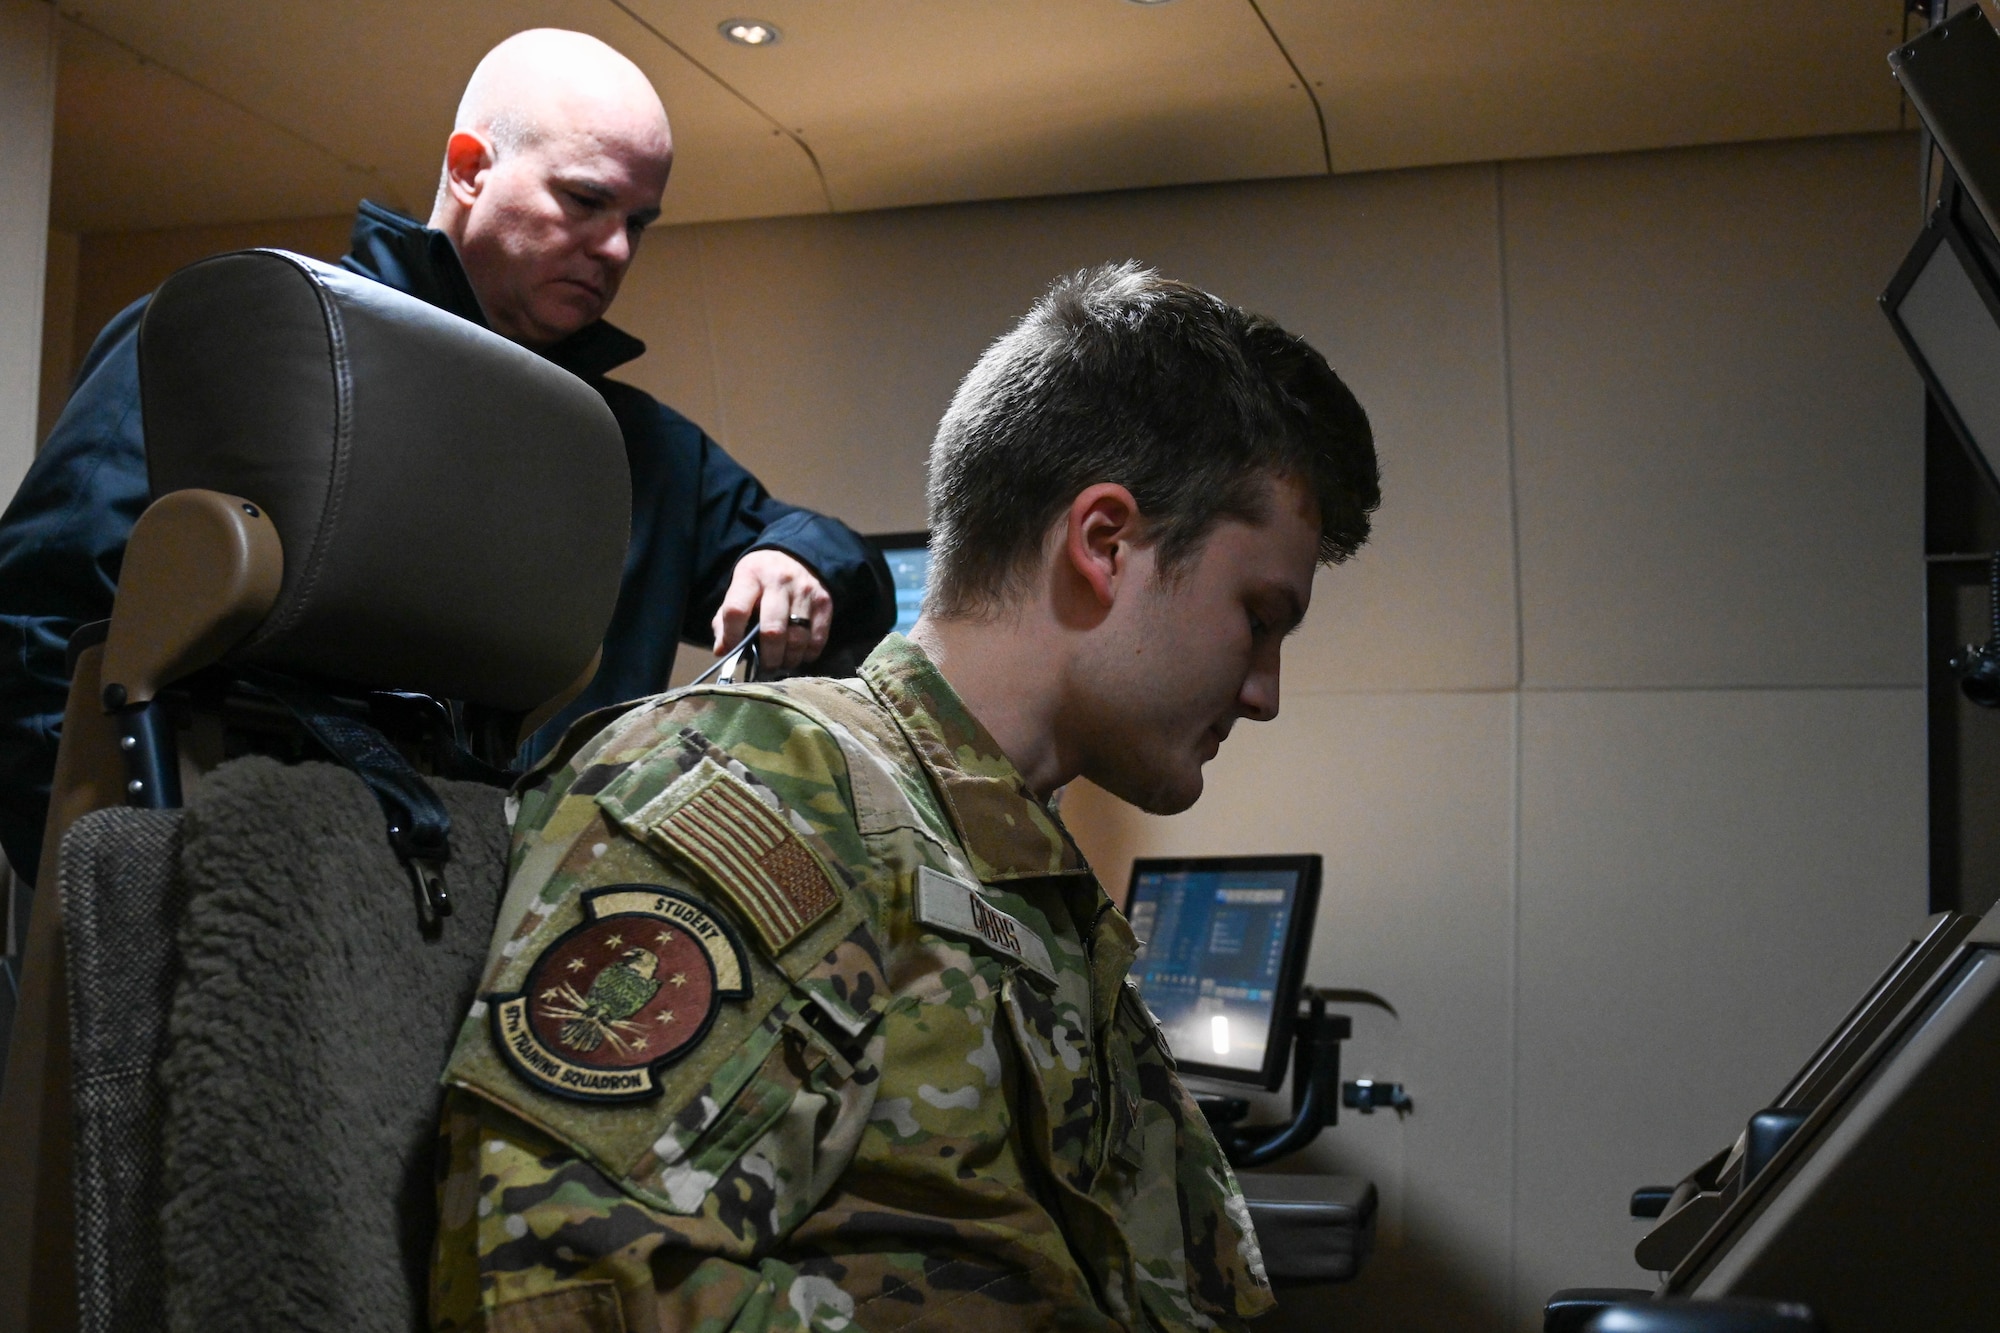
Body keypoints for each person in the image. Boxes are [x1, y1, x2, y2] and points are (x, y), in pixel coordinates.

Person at [431, 262, 1381, 1331]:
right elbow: (565, 1282)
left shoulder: (1022, 878)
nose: (1263, 694)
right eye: (1257, 617)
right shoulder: (770, 791)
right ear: (1104, 544)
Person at [0, 29, 891, 885]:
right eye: (584, 201)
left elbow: (847, 574)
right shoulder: (250, 346)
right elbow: (39, 629)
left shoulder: (643, 453)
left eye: (640, 222)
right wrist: (115, 915)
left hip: (538, 961)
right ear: (470, 169)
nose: (616, 250)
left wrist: (793, 555)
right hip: (267, 928)